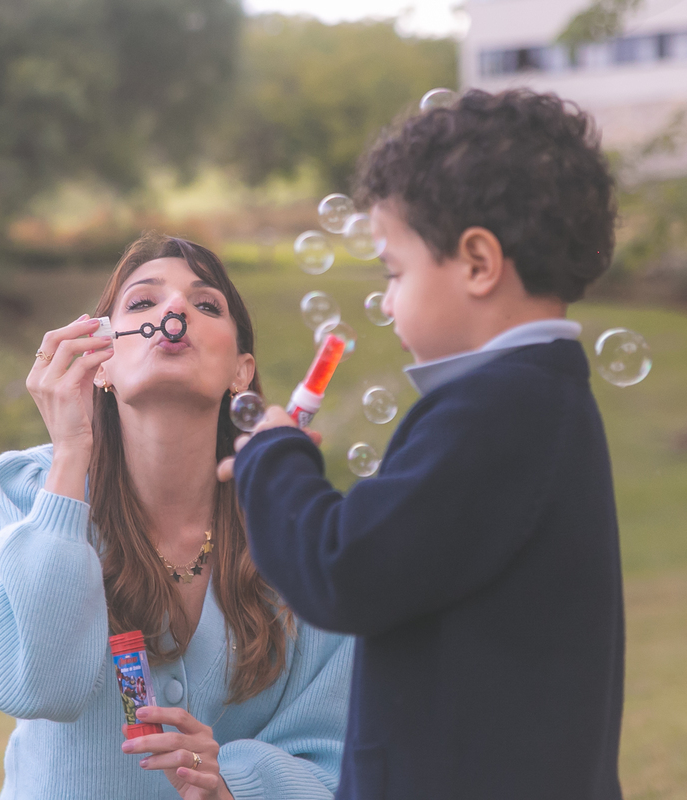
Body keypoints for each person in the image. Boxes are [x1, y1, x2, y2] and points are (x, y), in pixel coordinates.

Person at [219, 90, 625, 799]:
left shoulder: (497, 409)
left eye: (394, 270)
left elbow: (343, 569)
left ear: (476, 262)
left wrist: (272, 457)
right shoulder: (537, 401)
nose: (382, 299)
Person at [0, 233, 353, 799]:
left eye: (206, 304)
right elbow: (38, 685)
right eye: (143, 303)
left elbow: (335, 756)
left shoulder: (295, 521)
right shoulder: (29, 490)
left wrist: (235, 784)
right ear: (103, 362)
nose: (174, 310)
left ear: (242, 371)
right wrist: (70, 452)